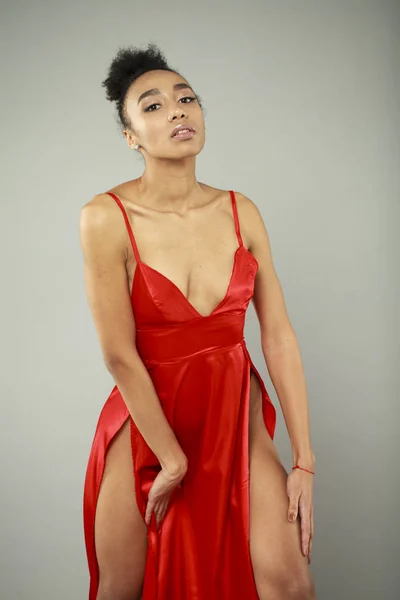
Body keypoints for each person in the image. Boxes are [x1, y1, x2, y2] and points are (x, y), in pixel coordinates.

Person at [80, 43, 317, 600]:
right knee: (121, 587)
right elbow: (118, 353)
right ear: (131, 137)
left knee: (290, 584)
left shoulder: (241, 211)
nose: (178, 110)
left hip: (234, 416)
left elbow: (278, 335)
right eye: (154, 105)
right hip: (146, 423)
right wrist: (171, 458)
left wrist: (304, 461)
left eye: (186, 98)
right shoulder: (104, 218)